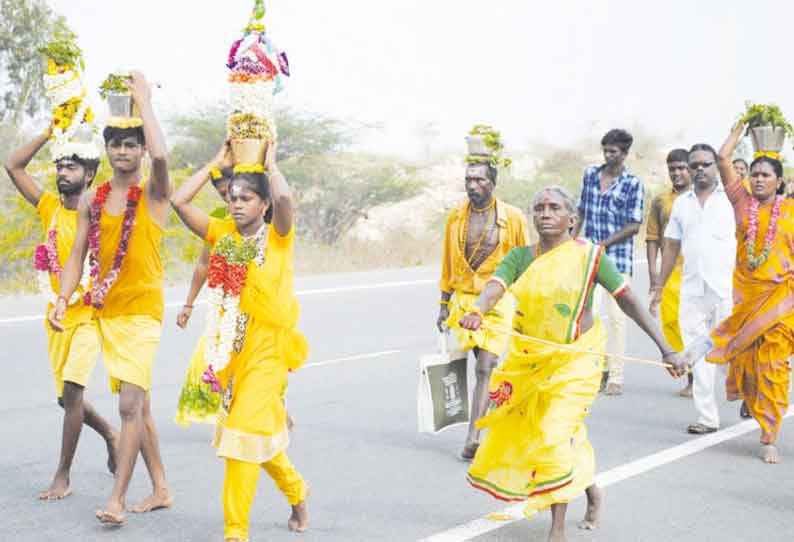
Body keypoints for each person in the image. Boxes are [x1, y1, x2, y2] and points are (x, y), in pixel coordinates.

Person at [456, 186, 685, 542]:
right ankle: (590, 488)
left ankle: (557, 528)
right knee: (553, 434)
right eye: (539, 208)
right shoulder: (519, 257)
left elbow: (628, 301)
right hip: (531, 361)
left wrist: (666, 349)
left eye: (554, 208)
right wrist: (476, 310)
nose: (545, 214)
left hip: (577, 360)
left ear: (571, 219)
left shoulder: (591, 256)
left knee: (552, 432)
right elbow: (493, 289)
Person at [49, 71, 172, 524]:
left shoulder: (155, 193)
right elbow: (77, 256)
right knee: (142, 405)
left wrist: (144, 101)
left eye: (130, 144)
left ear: (140, 149)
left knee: (128, 406)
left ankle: (117, 499)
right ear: (107, 150)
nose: (123, 151)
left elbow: (162, 154)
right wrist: (63, 299)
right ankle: (161, 487)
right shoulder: (92, 201)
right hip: (106, 311)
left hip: (143, 312)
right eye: (115, 144)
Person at [170, 141, 310, 540]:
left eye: (246, 198)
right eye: (232, 197)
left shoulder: (278, 238)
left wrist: (272, 165)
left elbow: (283, 195)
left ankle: (235, 532)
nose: (236, 204)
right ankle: (297, 489)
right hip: (229, 352)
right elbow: (179, 202)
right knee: (254, 439)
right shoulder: (222, 234)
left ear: (263, 205)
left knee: (241, 438)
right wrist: (215, 163)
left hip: (268, 355)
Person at [4, 128, 118, 500]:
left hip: (89, 315)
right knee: (65, 400)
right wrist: (50, 132)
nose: (63, 171)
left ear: (90, 174)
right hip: (56, 316)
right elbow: (13, 165)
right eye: (60, 165)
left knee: (72, 391)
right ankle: (111, 434)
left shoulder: (100, 213)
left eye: (72, 166)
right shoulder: (50, 207)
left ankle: (62, 476)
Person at [706, 123, 794, 464]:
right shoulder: (742, 203)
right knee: (748, 361)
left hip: (782, 298)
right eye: (754, 174)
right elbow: (723, 158)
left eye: (765, 175)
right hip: (746, 292)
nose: (758, 179)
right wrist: (737, 130)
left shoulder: (790, 209)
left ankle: (769, 435)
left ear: (779, 181)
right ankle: (751, 394)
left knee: (773, 363)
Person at [438, 160, 529, 460]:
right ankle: (497, 409)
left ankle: (472, 437)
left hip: (498, 301)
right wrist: (442, 304)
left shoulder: (513, 218)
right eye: (468, 179)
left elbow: (525, 264)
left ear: (493, 183)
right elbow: (447, 263)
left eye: (479, 180)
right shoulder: (456, 217)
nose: (472, 185)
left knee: (484, 367)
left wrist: (526, 308)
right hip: (464, 301)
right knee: (483, 367)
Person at [652, 144, 736, 434]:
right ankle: (707, 418)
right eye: (695, 165)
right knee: (696, 353)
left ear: (716, 166)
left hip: (727, 288)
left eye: (706, 164)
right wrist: (659, 286)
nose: (700, 169)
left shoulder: (731, 201)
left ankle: (747, 393)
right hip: (692, 289)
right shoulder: (682, 204)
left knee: (731, 351)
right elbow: (671, 246)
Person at [574, 129, 645, 395]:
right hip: (588, 257)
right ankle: (596, 369)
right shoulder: (591, 175)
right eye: (606, 150)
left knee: (617, 317)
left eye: (613, 151)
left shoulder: (632, 184)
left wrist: (603, 244)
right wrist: (571, 241)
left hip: (616, 259)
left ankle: (616, 374)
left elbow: (634, 225)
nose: (608, 155)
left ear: (624, 154)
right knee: (587, 313)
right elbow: (581, 210)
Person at [174, 152, 233, 427]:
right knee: (210, 362)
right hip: (225, 306)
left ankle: (271, 414)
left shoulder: (265, 216)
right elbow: (203, 264)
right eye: (222, 194)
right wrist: (188, 304)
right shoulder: (219, 219)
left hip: (259, 308)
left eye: (231, 190)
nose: (228, 198)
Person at [646, 149, 692, 396]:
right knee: (673, 324)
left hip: (696, 272)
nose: (677, 173)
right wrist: (654, 274)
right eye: (673, 168)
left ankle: (698, 379)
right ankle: (691, 374)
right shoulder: (661, 201)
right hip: (670, 274)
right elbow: (652, 238)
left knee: (696, 326)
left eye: (682, 168)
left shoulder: (702, 200)